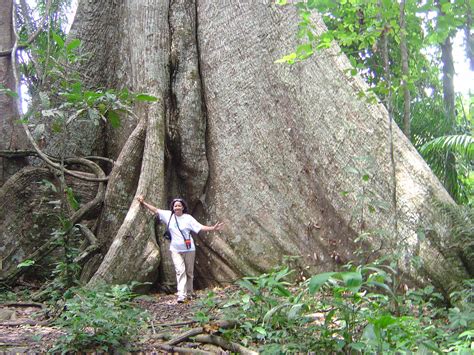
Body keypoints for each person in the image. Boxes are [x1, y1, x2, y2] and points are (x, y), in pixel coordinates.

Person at [137, 195, 223, 303]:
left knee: (189, 272)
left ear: (183, 207)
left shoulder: (188, 218)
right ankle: (181, 295)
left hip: (189, 249)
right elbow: (155, 210)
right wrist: (143, 202)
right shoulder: (168, 215)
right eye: (175, 206)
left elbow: (200, 227)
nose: (177, 207)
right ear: (173, 207)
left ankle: (190, 293)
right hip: (175, 249)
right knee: (180, 271)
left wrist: (213, 228)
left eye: (179, 205)